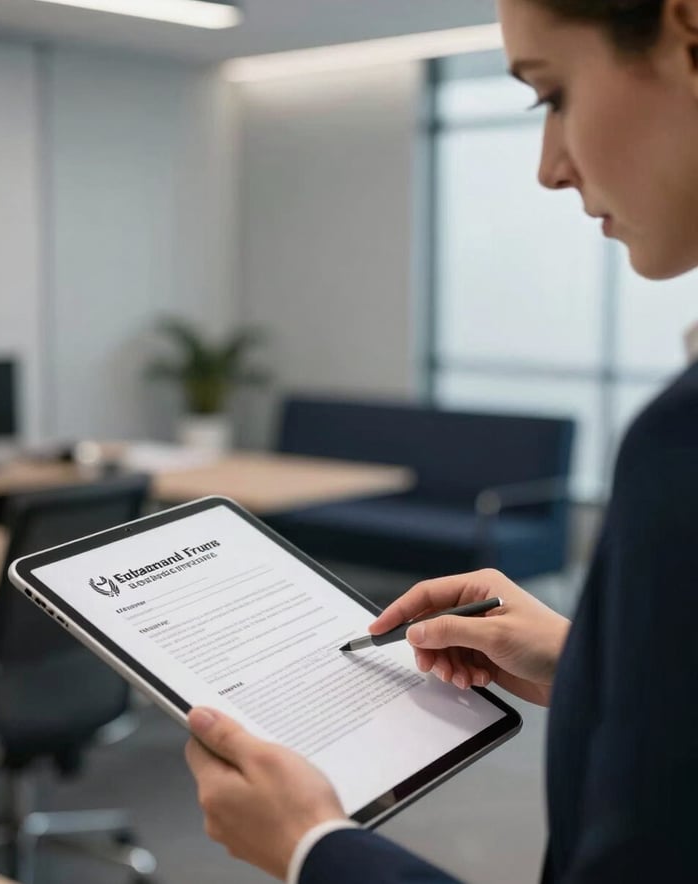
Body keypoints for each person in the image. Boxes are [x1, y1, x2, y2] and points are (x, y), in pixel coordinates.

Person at [184, 0, 698, 880]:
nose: (549, 168)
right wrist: (595, 665)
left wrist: (315, 846)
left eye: (553, 93)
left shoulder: (682, 447)